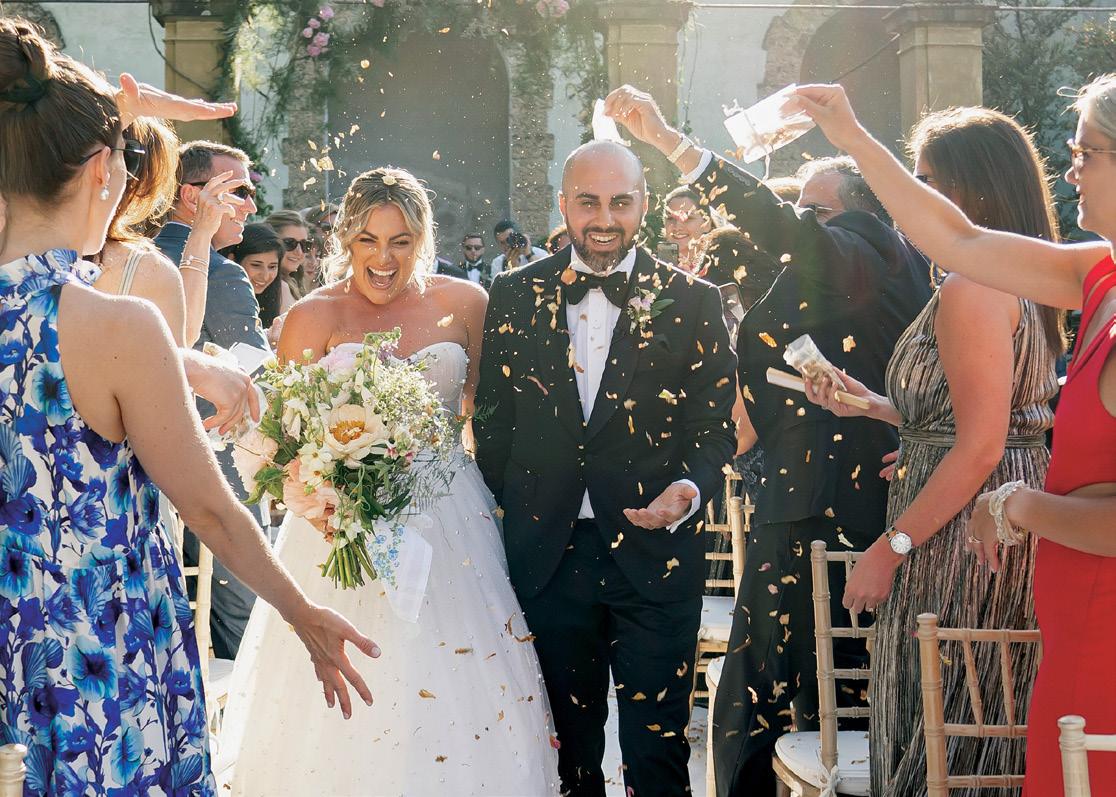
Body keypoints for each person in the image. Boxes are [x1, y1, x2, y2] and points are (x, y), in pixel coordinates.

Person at [0, 17, 377, 793]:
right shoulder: (115, 326)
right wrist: (302, 611)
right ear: (102, 171)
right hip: (96, 649)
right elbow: (208, 508)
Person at [602, 85, 934, 795]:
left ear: (864, 215)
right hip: (800, 496)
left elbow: (777, 224)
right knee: (776, 695)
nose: (802, 222)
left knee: (799, 697)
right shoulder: (829, 272)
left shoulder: (873, 248)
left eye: (818, 211)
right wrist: (692, 474)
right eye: (802, 209)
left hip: (840, 504)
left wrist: (674, 146)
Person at [795, 76, 1116, 797]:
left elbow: (991, 442)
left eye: (1085, 152)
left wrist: (1015, 504)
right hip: (1069, 612)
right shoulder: (1100, 274)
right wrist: (849, 135)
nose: (1070, 172)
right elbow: (958, 239)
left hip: (1100, 624)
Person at [220, 167, 559, 796]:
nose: (383, 258)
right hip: (338, 521)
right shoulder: (313, 315)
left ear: (422, 241)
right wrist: (327, 493)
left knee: (460, 672)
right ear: (345, 240)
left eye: (401, 242)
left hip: (450, 514)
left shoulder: (467, 303)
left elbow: (488, 413)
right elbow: (288, 439)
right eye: (368, 241)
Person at [475, 140, 738, 796]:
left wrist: (690, 488)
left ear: (644, 204)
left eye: (620, 202)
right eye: (588, 202)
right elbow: (494, 422)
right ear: (563, 204)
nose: (604, 218)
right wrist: (521, 508)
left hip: (657, 558)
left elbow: (715, 428)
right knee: (567, 756)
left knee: (658, 754)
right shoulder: (512, 294)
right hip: (548, 559)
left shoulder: (694, 299)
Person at [154, 139, 270, 660]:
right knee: (244, 625)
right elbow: (255, 377)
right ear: (191, 196)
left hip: (150, 473)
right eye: (238, 191)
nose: (250, 205)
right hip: (219, 468)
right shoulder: (222, 273)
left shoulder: (134, 254)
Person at [223, 222, 283, 340]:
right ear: (232, 261)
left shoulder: (278, 291)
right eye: (256, 265)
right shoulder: (221, 298)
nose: (265, 276)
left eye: (272, 267)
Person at [266, 208, 310, 314]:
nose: (299, 252)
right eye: (289, 243)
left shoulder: (293, 282)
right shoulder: (281, 287)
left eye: (304, 244)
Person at [662, 185, 711, 272]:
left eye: (688, 218)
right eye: (670, 218)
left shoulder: (717, 266)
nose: (677, 227)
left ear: (706, 224)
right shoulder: (652, 266)